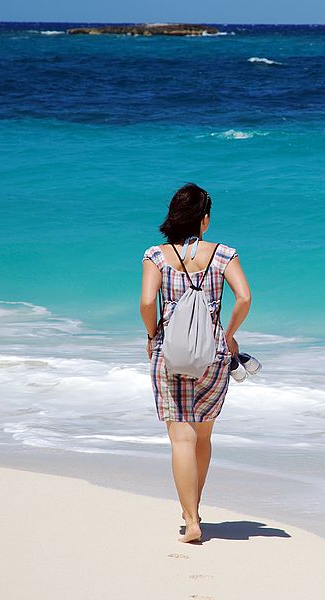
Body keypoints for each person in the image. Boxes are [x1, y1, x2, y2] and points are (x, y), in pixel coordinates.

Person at [139, 182, 252, 543]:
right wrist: (229, 334)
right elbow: (245, 297)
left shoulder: (157, 255)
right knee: (202, 434)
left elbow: (145, 302)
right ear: (204, 220)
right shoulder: (223, 254)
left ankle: (191, 520)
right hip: (213, 353)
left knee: (180, 438)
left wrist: (153, 333)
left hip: (169, 354)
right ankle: (196, 507)